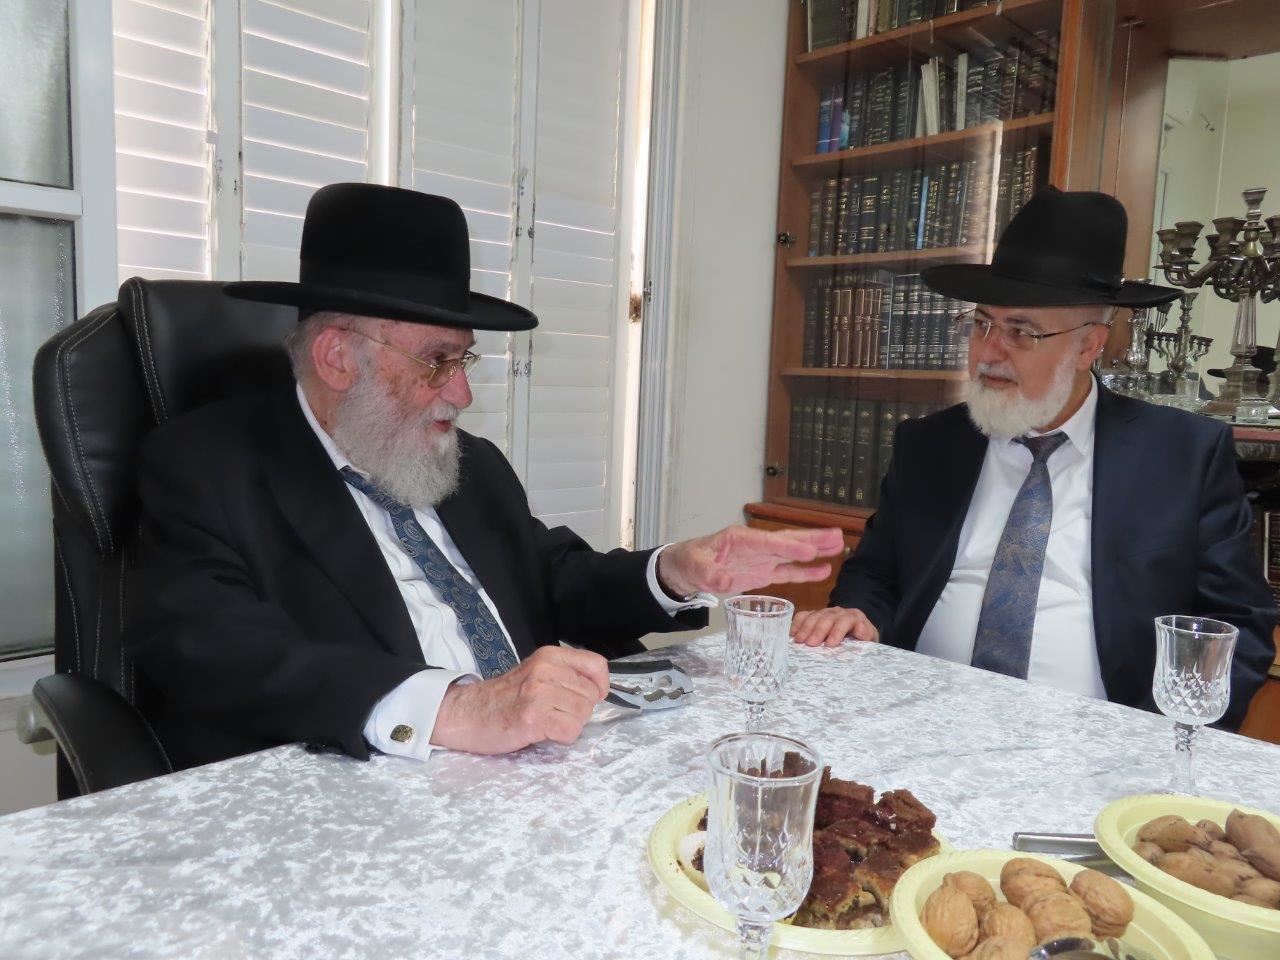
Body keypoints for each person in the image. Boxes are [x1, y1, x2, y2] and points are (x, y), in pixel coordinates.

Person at [127, 183, 842, 770]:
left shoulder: (468, 465)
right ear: (338, 357)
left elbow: (557, 583)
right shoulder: (206, 468)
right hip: (374, 800)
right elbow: (222, 654)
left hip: (543, 779)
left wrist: (676, 572)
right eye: (437, 361)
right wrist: (457, 708)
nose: (462, 394)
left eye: (463, 360)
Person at [791, 188, 1276, 730]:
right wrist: (858, 614)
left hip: (1104, 739)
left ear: (1089, 346)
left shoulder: (1182, 454)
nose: (988, 351)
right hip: (920, 716)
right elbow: (875, 573)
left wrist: (1160, 740)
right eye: (981, 323)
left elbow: (1239, 622)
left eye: (1021, 332)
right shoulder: (930, 444)